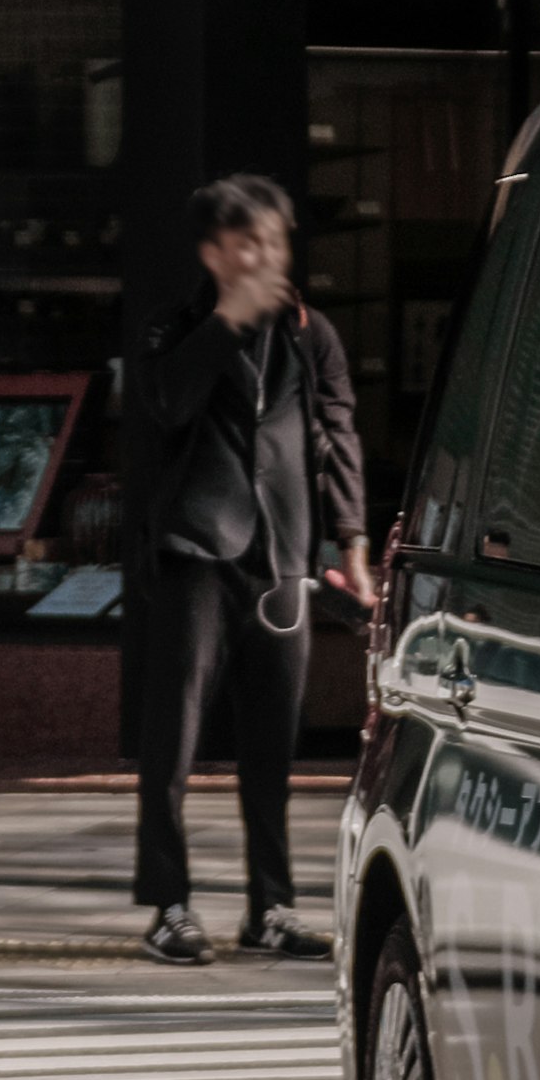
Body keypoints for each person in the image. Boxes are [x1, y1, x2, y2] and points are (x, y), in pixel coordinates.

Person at [128, 172, 366, 966]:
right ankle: (169, 905)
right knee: (176, 742)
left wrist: (353, 543)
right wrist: (224, 324)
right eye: (247, 242)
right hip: (199, 551)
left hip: (283, 558)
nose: (266, 254)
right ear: (214, 253)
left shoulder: (311, 332)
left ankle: (271, 907)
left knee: (273, 746)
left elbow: (338, 431)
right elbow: (164, 407)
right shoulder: (177, 328)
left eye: (275, 239)